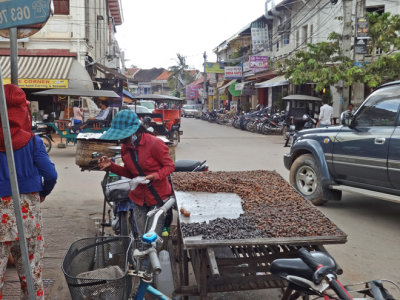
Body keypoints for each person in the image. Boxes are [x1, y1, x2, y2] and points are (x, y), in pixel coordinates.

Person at [0, 84, 58, 299]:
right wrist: (43, 192)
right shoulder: (34, 142)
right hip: (28, 213)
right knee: (32, 273)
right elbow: (51, 175)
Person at [97, 110, 175, 237]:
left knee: (152, 240)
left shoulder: (155, 143)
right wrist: (111, 166)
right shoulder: (125, 148)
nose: (122, 141)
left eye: (124, 137)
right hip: (138, 200)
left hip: (157, 198)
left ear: (135, 131)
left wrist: (154, 176)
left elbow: (170, 166)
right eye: (121, 139)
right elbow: (130, 173)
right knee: (141, 236)